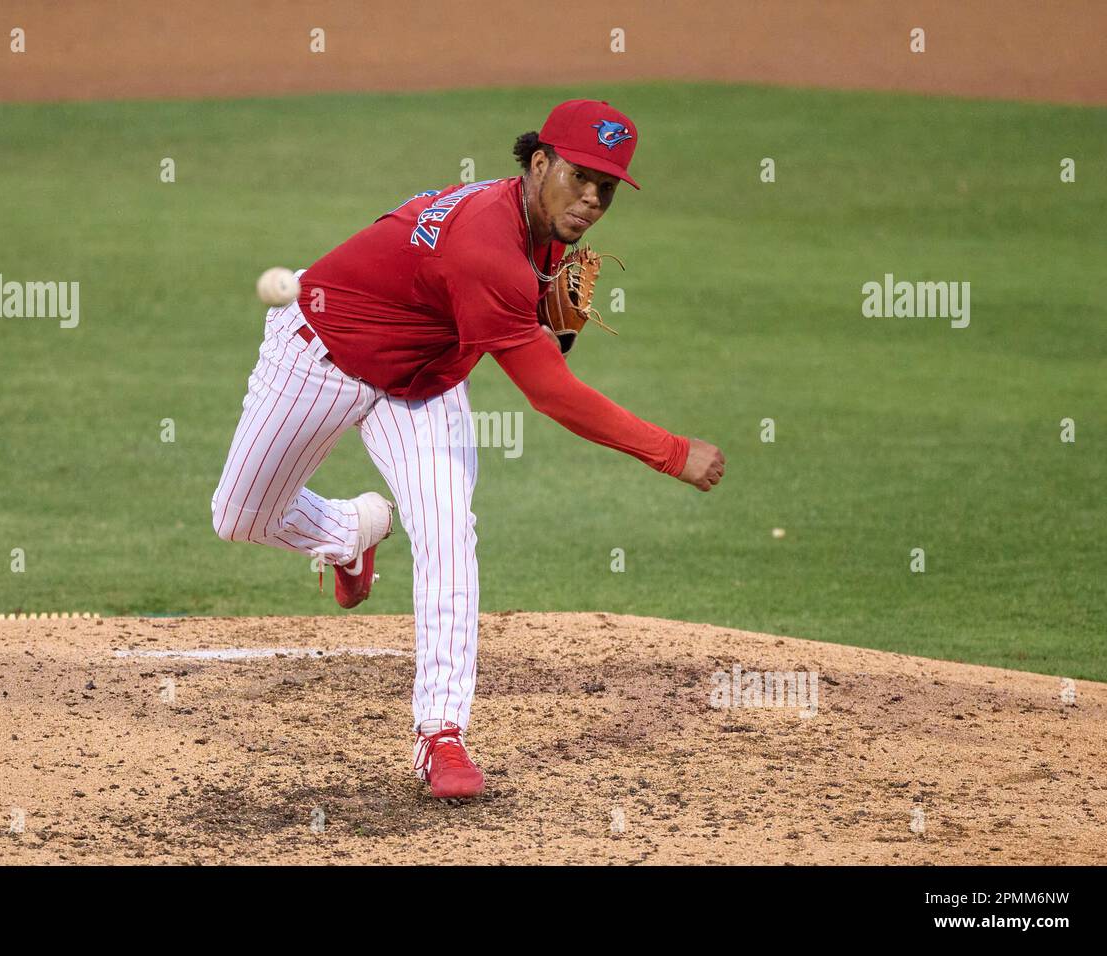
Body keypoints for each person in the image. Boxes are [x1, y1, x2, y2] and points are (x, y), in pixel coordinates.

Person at [212, 99, 726, 800]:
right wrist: (671, 452)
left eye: (606, 188)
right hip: (320, 357)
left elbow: (540, 324)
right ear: (539, 163)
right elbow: (552, 395)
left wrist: (555, 321)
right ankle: (349, 532)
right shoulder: (488, 245)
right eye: (579, 177)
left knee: (449, 533)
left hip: (423, 383)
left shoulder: (541, 227)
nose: (591, 200)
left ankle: (441, 734)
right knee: (239, 518)